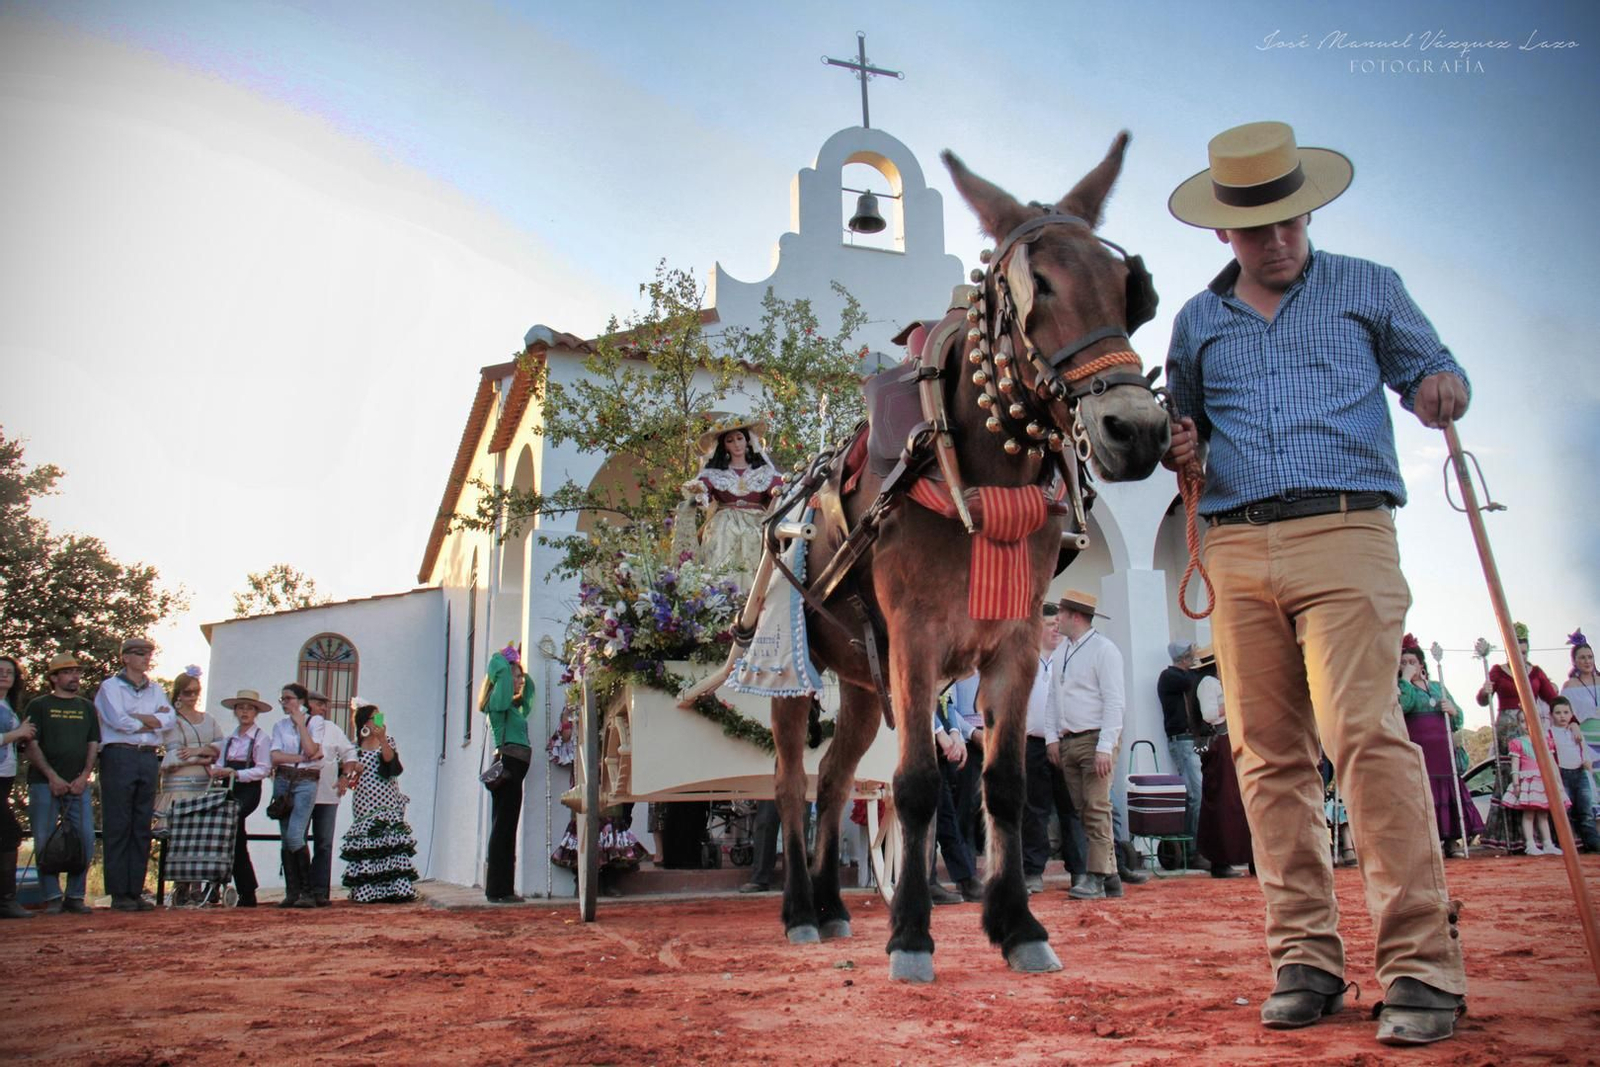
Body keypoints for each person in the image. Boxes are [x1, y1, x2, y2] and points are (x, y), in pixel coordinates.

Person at [1164, 121, 1468, 1043]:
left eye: (1291, 221)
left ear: (1308, 212)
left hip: (1347, 527)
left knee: (1362, 733)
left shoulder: (1369, 286)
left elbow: (1436, 370)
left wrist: (1440, 390)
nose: (1278, 240)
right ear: (1225, 231)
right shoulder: (1196, 322)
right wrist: (1183, 446)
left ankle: (1421, 965)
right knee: (1264, 755)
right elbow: (1185, 429)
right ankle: (1305, 959)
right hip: (1235, 544)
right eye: (1257, 229)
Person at [1044, 590, 1125, 901]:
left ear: (1075, 617)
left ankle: (1097, 876)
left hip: (1094, 738)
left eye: (1062, 614)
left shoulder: (1104, 650)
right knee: (1084, 810)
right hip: (1070, 740)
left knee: (1095, 807)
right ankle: (1110, 875)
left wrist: (1106, 745)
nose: (1057, 620)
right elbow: (1054, 698)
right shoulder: (1063, 651)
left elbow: (1114, 702)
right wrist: (1053, 737)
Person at [94, 635, 175, 911]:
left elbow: (169, 720)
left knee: (142, 824)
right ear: (126, 657)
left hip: (147, 755)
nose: (145, 658)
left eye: (148, 654)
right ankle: (119, 892)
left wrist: (139, 718)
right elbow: (118, 721)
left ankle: (135, 890)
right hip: (119, 753)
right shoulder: (110, 687)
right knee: (119, 822)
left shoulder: (156, 689)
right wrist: (152, 721)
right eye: (139, 653)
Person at [22, 653, 98, 914]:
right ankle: (52, 896)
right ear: (53, 678)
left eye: (77, 671)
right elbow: (30, 744)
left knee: (86, 837)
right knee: (44, 839)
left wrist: (84, 776)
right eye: (67, 672)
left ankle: (75, 895)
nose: (74, 676)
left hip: (78, 784)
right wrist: (52, 776)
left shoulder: (86, 707)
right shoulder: (39, 705)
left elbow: (93, 743)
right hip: (43, 784)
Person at [1476, 625, 1560, 852]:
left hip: (1531, 726)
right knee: (1512, 777)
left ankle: (1544, 839)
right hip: (1507, 730)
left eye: (1524, 652)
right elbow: (1482, 700)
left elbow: (1553, 699)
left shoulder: (1536, 672)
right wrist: (1485, 691)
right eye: (1516, 652)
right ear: (1508, 651)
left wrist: (1571, 722)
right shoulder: (1498, 671)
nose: (1520, 656)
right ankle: (1513, 840)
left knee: (1536, 776)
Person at [1397, 637, 1483, 858]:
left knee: (1448, 788)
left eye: (1412, 662)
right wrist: (1405, 681)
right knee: (1424, 792)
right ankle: (1429, 843)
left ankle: (1451, 841)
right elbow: (1404, 707)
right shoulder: (1399, 688)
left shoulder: (1437, 687)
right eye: (1403, 663)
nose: (1408, 666)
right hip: (1420, 748)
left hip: (1443, 750)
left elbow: (1458, 719)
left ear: (1421, 665)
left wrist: (1453, 710)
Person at [1022, 611, 1086, 893]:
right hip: (1033, 743)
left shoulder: (1071, 660)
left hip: (1067, 742)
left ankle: (1080, 871)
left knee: (1071, 808)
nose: (1056, 630)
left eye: (1059, 625)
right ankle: (1033, 871)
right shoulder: (1025, 662)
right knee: (1034, 809)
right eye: (1050, 625)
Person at [679, 419, 783, 591]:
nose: (736, 444)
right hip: (724, 524)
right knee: (722, 541)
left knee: (760, 542)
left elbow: (780, 491)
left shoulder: (763, 472)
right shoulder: (714, 473)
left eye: (739, 438)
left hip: (757, 523)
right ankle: (722, 594)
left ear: (748, 440)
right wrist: (698, 491)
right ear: (724, 446)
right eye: (730, 440)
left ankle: (756, 593)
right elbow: (703, 493)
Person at [154, 667, 224, 903]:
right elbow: (174, 755)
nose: (192, 697)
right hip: (178, 784)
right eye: (187, 692)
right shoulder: (172, 722)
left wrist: (197, 752)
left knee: (200, 835)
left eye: (196, 692)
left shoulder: (209, 719)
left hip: (203, 783)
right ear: (178, 695)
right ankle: (180, 885)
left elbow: (221, 747)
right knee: (179, 836)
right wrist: (205, 755)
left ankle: (197, 886)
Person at [340, 702, 419, 903]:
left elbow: (391, 763)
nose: (378, 721)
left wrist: (382, 738)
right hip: (364, 801)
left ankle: (394, 889)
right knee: (368, 840)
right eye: (374, 718)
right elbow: (347, 775)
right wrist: (353, 769)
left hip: (387, 799)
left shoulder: (388, 741)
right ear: (364, 722)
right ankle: (368, 889)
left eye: (380, 717)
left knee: (389, 839)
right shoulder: (354, 747)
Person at [210, 689, 273, 907]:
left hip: (248, 789)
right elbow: (219, 764)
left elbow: (263, 769)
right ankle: (243, 889)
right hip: (228, 788)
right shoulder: (229, 739)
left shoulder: (261, 738)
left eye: (249, 708)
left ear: (256, 712)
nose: (245, 712)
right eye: (241, 708)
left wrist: (237, 774)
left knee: (233, 827)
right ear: (235, 711)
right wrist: (217, 771)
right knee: (233, 835)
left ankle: (240, 887)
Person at [1193, 647, 1250, 877]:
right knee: (1225, 802)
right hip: (1221, 744)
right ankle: (1221, 859)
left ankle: (1245, 854)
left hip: (1231, 743)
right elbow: (1209, 714)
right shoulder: (1208, 683)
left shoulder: (1217, 683)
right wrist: (1234, 703)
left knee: (1238, 801)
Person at [483, 643, 533, 903]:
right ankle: (497, 889)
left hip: (516, 768)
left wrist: (521, 665)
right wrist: (503, 658)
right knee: (503, 827)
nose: (519, 681)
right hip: (509, 766)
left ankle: (504, 887)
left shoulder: (512, 707)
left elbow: (530, 691)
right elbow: (498, 668)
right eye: (516, 676)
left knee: (507, 826)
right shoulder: (498, 702)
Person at [269, 682, 323, 909]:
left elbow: (312, 749)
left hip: (306, 782)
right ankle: (292, 892)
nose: (284, 703)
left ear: (301, 701)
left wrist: (301, 724)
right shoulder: (279, 726)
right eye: (282, 699)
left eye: (289, 698)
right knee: (285, 837)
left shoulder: (315, 722)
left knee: (294, 835)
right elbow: (275, 757)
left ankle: (307, 891)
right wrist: (302, 758)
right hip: (284, 780)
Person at [306, 690, 360, 907]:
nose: (323, 708)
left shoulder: (332, 729)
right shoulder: (294, 727)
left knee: (324, 844)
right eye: (319, 703)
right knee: (297, 842)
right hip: (300, 793)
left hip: (327, 794)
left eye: (324, 704)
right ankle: (300, 890)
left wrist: (345, 776)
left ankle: (320, 891)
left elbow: (350, 753)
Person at [1157, 640, 1207, 869]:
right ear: (1184, 657)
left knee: (1195, 796)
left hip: (1190, 740)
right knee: (1196, 795)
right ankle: (1194, 850)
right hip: (1182, 741)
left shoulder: (1178, 677)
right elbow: (1191, 681)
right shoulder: (1170, 677)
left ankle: (1193, 847)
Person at [0, 655, 39, 918]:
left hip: (5, 776)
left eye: (9, 672)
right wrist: (19, 733)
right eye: (0, 671)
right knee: (10, 831)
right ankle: (6, 900)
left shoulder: (8, 705)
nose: (4, 675)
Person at [930, 694, 979, 904]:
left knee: (946, 814)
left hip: (941, 747)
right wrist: (939, 731)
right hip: (918, 740)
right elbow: (915, 695)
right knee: (931, 817)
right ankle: (928, 881)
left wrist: (955, 733)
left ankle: (966, 879)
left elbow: (946, 699)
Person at [1504, 706, 1569, 855]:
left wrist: (1558, 781)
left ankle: (1548, 843)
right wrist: (1516, 783)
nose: (1526, 725)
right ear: (1518, 724)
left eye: (1529, 721)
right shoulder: (1517, 743)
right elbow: (1515, 765)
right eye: (1522, 721)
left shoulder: (1545, 741)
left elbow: (1552, 763)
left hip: (1544, 780)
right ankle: (1530, 844)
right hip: (1528, 781)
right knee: (1529, 814)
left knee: (1543, 814)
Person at [1549, 695, 1600, 853]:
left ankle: (1593, 844)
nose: (1562, 716)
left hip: (1580, 772)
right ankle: (1567, 844)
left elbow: (1584, 750)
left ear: (1571, 714)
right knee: (1566, 812)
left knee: (1586, 811)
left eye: (1566, 712)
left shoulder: (1575, 732)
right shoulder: (1549, 733)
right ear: (1551, 715)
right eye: (1558, 713)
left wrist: (1587, 762)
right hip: (1561, 774)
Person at [1561, 631, 1599, 724]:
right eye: (1582, 657)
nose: (1587, 661)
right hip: (1582, 731)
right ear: (1574, 661)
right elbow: (1564, 714)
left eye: (1590, 657)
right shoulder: (1570, 686)